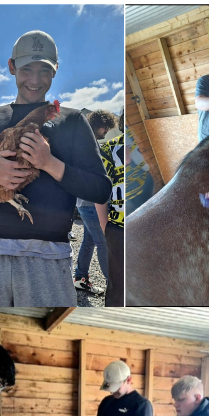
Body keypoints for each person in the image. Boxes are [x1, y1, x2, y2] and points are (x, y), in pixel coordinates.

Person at [0, 30, 110, 307]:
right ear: (11, 67)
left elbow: (101, 189)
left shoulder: (74, 121)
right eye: (27, 69)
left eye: (44, 70)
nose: (36, 80)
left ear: (55, 71)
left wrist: (49, 163)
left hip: (49, 256)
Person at [73, 110, 116, 295]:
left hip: (84, 202)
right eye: (104, 126)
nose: (106, 130)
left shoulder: (86, 144)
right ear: (98, 124)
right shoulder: (91, 148)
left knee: (89, 242)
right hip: (91, 203)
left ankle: (80, 278)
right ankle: (114, 286)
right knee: (104, 244)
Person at [98, 126, 126, 307]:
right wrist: (105, 226)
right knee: (118, 287)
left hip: (146, 224)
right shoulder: (109, 149)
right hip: (118, 227)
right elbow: (100, 194)